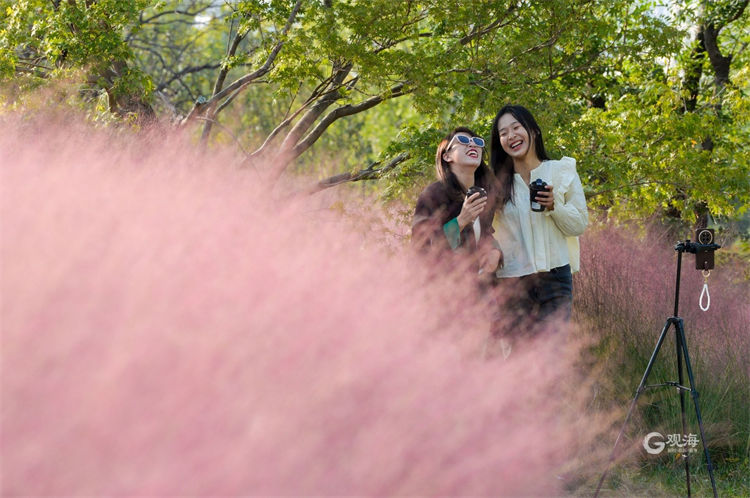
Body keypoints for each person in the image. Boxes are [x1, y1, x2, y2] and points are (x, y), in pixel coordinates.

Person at [489, 105, 588, 329]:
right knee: (519, 358)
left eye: (516, 127)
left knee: (549, 356)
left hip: (555, 280)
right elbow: (483, 230)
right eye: (503, 133)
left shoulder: (561, 171)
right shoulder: (495, 183)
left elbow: (579, 225)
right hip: (511, 281)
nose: (511, 136)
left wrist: (555, 206)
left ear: (533, 130)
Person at [412, 127, 502, 282]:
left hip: (482, 292)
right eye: (464, 141)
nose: (473, 145)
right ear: (447, 156)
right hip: (446, 292)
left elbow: (485, 233)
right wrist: (460, 221)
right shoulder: (433, 195)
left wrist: (496, 251)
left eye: (477, 142)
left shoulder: (484, 193)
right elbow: (421, 247)